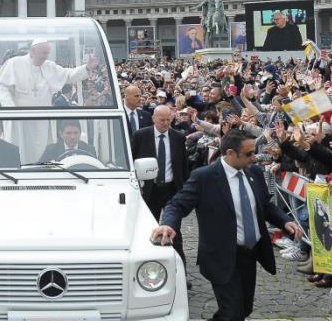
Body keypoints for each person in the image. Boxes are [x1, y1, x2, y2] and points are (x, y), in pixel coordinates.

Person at [152, 130, 304, 321]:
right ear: (231, 153)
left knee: (243, 309)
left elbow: (264, 205)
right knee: (233, 312)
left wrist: (285, 220)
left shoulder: (254, 173)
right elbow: (177, 204)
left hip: (250, 253)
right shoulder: (204, 177)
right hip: (221, 256)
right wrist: (168, 224)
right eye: (249, 154)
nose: (254, 158)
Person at [130, 105, 189, 269]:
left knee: (174, 229)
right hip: (150, 190)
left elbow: (183, 165)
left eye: (168, 120)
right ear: (153, 119)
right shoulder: (141, 136)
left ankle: (179, 268)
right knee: (149, 227)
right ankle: (149, 264)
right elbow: (132, 162)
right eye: (162, 120)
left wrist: (182, 189)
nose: (165, 123)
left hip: (171, 189)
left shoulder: (178, 137)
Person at [0, 39, 96, 107]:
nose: (45, 56)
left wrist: (87, 67)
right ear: (32, 51)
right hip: (19, 121)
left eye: (47, 53)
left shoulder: (49, 66)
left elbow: (68, 75)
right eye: (43, 53)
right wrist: (13, 111)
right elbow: (4, 92)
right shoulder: (14, 64)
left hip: (43, 117)